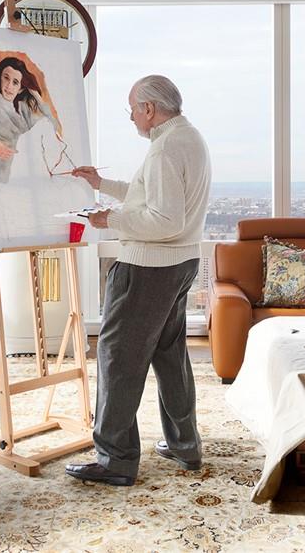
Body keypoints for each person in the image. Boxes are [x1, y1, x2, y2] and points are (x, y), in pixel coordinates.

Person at [65, 74, 211, 486]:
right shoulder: (188, 137)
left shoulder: (165, 148)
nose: (130, 117)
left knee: (117, 357)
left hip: (150, 267)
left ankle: (115, 459)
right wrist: (101, 185)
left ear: (149, 109)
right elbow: (152, 195)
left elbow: (164, 219)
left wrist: (107, 219)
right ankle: (185, 445)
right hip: (179, 264)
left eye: (132, 109)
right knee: (169, 355)